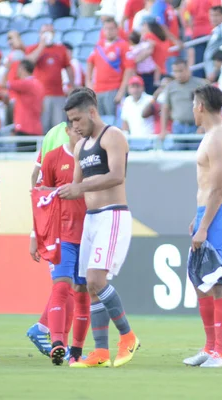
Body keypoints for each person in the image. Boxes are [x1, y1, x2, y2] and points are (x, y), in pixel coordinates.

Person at [58, 90, 139, 368]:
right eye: (71, 121)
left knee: (95, 280)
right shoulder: (81, 146)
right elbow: (76, 186)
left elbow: (117, 176)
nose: (74, 126)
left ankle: (128, 336)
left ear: (92, 112)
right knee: (90, 289)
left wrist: (78, 187)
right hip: (91, 219)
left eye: (78, 119)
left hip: (112, 215)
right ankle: (101, 352)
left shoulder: (113, 136)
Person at [183, 84, 222, 368]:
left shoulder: (217, 138)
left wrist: (204, 226)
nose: (192, 110)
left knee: (217, 283)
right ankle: (209, 347)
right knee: (201, 283)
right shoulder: (211, 136)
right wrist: (199, 217)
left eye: (193, 104)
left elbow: (218, 188)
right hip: (208, 212)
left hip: (219, 216)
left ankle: (221, 352)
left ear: (201, 106)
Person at [28, 122, 90, 366]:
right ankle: (57, 344)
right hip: (61, 234)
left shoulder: (95, 156)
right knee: (61, 288)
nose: (80, 131)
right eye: (76, 127)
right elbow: (41, 199)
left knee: (82, 293)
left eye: (83, 128)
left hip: (88, 234)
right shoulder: (53, 158)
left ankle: (76, 353)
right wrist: (36, 235)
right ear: (67, 129)